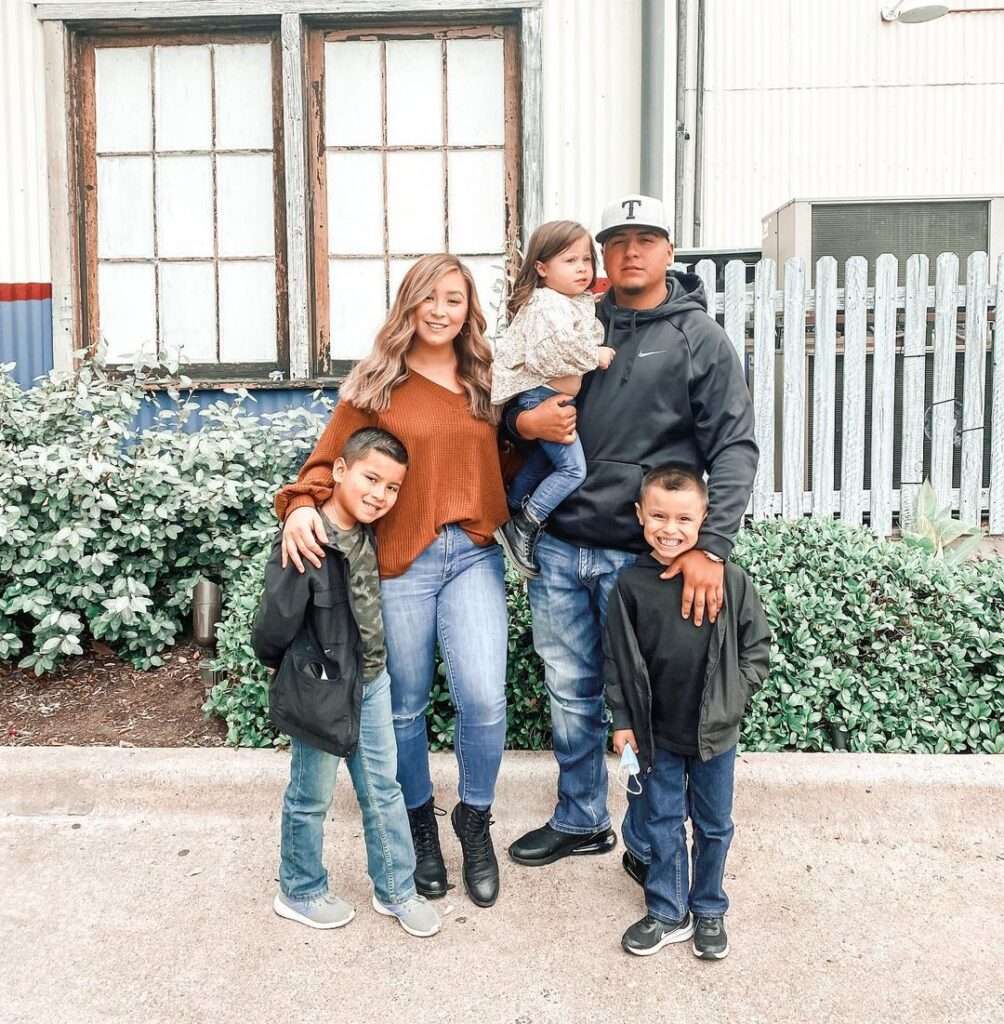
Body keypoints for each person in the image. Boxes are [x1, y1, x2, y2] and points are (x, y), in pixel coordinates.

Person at [506, 194, 759, 870]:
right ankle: (581, 817)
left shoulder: (697, 339)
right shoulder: (574, 321)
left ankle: (650, 839)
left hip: (643, 564)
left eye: (647, 239)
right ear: (601, 256)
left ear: (670, 252)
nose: (631, 252)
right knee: (568, 687)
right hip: (560, 545)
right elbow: (518, 400)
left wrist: (712, 546)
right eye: (617, 241)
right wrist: (521, 426)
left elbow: (734, 446)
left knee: (644, 703)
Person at [275, 255, 509, 909]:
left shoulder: (486, 378)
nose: (441, 310)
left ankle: (475, 820)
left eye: (455, 299)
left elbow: (512, 454)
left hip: (471, 554)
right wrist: (299, 505)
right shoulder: (376, 384)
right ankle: (419, 827)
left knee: (484, 698)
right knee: (403, 708)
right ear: (409, 303)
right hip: (401, 561)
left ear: (470, 311)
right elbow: (329, 464)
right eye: (429, 297)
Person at [253, 427, 441, 938]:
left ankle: (396, 889)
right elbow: (273, 623)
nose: (380, 495)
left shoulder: (369, 530)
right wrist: (286, 668)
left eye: (392, 487)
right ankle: (300, 889)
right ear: (338, 472)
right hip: (322, 686)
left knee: (383, 788)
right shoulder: (307, 538)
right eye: (370, 478)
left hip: (372, 681)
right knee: (310, 794)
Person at [603, 464, 770, 960]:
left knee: (715, 824)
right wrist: (623, 722)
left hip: (714, 734)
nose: (669, 528)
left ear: (704, 519)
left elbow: (756, 648)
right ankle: (668, 910)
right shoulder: (629, 587)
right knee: (663, 822)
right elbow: (615, 661)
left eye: (683, 518)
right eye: (658, 515)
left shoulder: (731, 580)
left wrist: (732, 699)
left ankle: (710, 908)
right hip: (657, 735)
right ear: (640, 515)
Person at [491, 220, 615, 578]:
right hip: (540, 397)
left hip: (549, 396)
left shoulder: (567, 302)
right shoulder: (547, 305)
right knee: (573, 469)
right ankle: (526, 523)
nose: (582, 268)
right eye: (569, 261)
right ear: (542, 268)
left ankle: (511, 506)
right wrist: (595, 355)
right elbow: (550, 352)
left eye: (586, 260)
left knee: (546, 464)